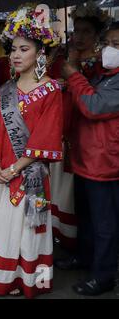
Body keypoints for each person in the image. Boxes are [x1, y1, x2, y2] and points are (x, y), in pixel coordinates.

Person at [0, 4, 63, 298]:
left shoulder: (52, 91)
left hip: (28, 175)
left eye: (24, 49)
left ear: (40, 53)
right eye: (13, 49)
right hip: (1, 170)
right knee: (3, 226)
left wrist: (13, 169)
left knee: (27, 231)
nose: (15, 55)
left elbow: (46, 140)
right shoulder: (7, 88)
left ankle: (26, 279)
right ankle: (2, 275)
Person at [56, 20, 119, 296]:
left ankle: (104, 275)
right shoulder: (104, 73)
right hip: (87, 158)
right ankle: (83, 256)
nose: (109, 50)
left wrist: (73, 77)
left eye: (117, 45)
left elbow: (93, 106)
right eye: (108, 44)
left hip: (105, 163)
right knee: (86, 216)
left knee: (105, 223)